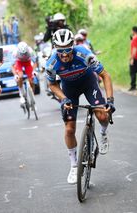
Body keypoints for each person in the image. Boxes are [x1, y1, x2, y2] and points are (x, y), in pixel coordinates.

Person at [46, 29, 115, 184]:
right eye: (60, 51)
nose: (64, 55)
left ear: (73, 46)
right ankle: (73, 165)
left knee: (103, 115)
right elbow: (52, 84)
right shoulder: (51, 63)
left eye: (67, 51)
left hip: (88, 82)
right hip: (69, 89)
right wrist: (63, 99)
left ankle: (103, 134)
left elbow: (105, 75)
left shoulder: (84, 54)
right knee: (69, 129)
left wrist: (110, 100)